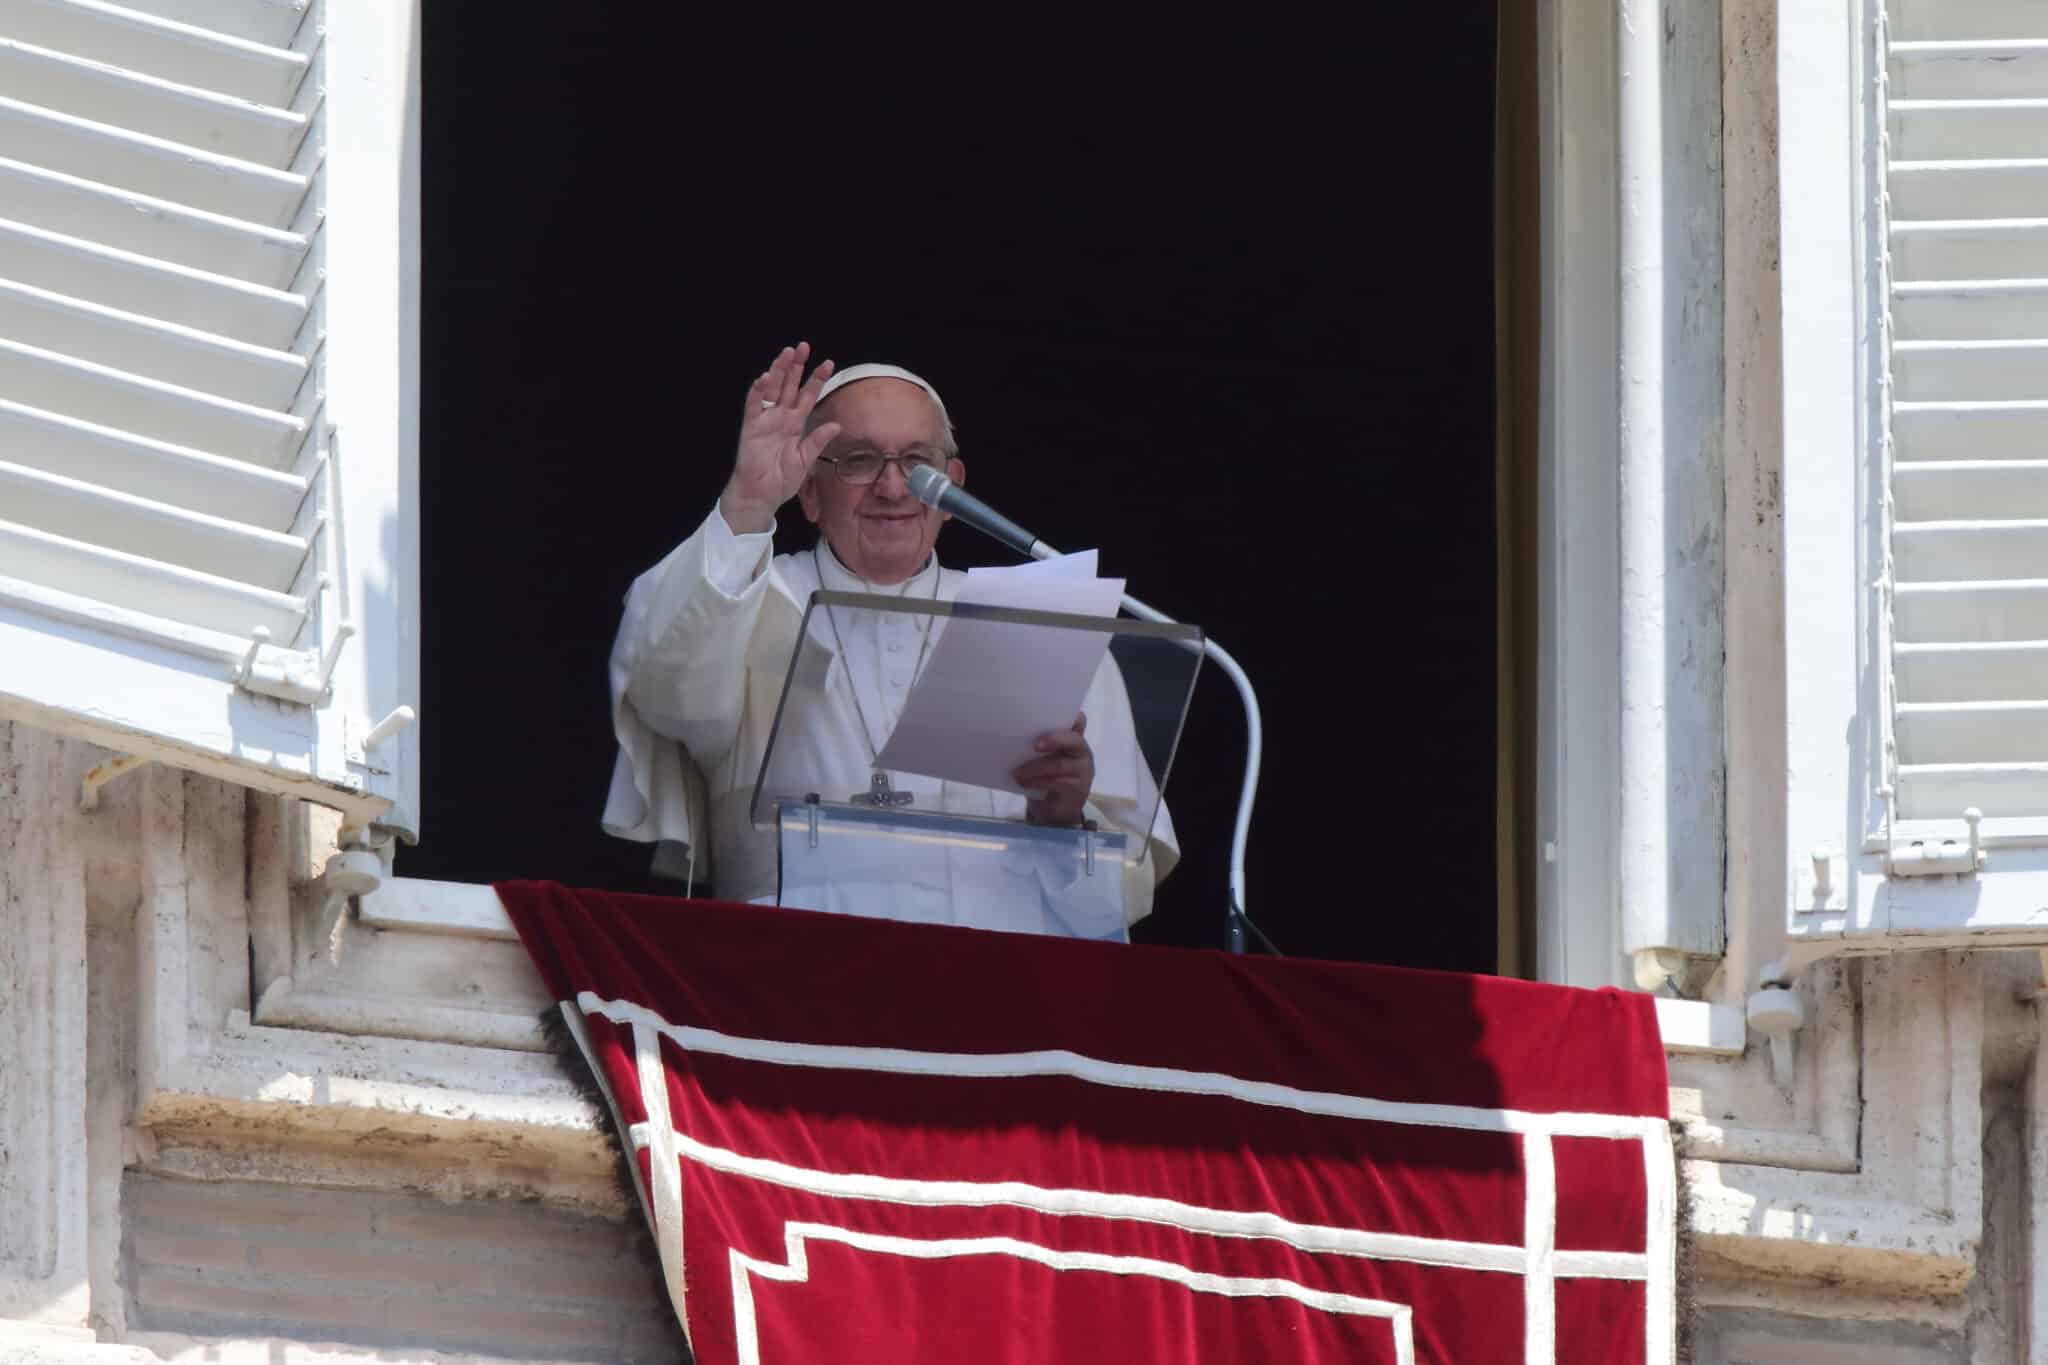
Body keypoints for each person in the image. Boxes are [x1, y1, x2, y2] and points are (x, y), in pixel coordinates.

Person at [601, 342, 1178, 933]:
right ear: (808, 490)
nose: (894, 488)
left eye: (918, 463)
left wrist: (1063, 821)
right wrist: (747, 502)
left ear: (953, 489)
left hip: (1006, 985)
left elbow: (1115, 901)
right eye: (857, 460)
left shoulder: (1037, 621)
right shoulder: (747, 595)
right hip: (790, 979)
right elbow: (665, 691)